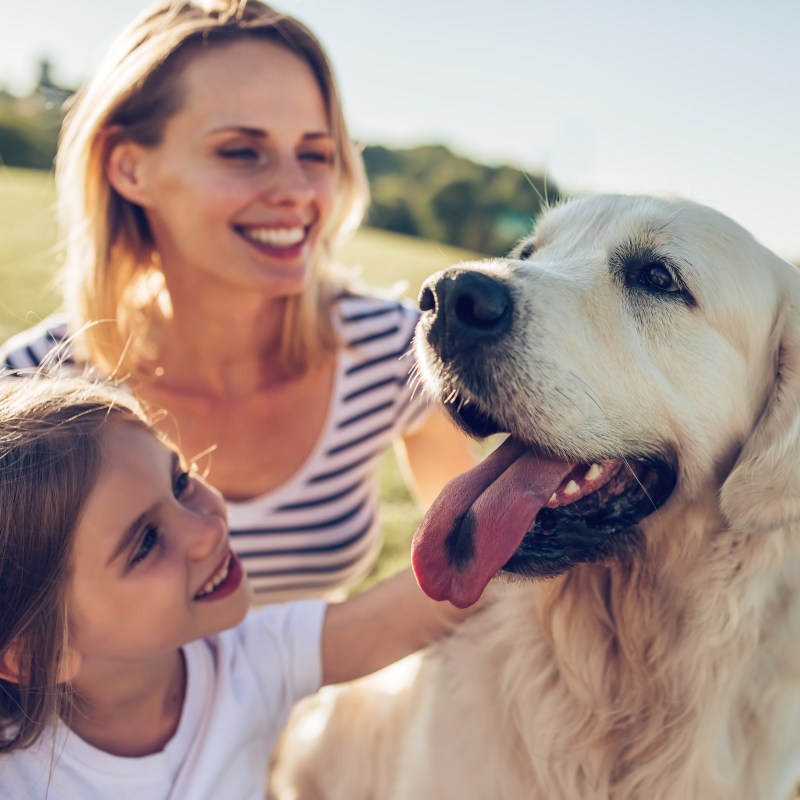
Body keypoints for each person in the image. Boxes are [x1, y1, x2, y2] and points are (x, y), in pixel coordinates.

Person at [0, 0, 477, 604]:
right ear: (129, 168)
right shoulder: (30, 392)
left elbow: (474, 572)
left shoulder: (394, 349)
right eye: (241, 151)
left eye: (315, 153)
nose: (298, 192)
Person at [0, 376, 473, 798]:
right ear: (42, 648)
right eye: (145, 543)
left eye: (180, 481)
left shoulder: (248, 661)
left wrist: (520, 504)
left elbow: (410, 611)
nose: (207, 529)